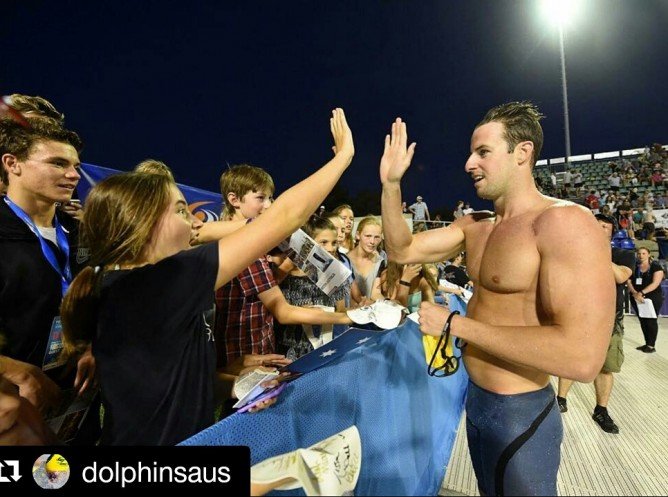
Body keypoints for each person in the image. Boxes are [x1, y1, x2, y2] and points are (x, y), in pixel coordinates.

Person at [60, 108, 355, 445]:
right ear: (144, 222)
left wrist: (233, 380)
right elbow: (283, 217)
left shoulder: (139, 285)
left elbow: (171, 389)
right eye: (181, 210)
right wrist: (344, 157)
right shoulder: (155, 284)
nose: (195, 222)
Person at [379, 102, 614, 496]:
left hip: (520, 412)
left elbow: (582, 357)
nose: (469, 163)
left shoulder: (564, 223)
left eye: (483, 152)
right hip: (477, 402)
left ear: (522, 152)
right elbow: (401, 250)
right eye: (471, 153)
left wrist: (455, 325)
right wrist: (390, 186)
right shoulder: (475, 225)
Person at [556, 214, 635, 434]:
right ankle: (560, 400)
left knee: (606, 367)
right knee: (571, 360)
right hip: (579, 315)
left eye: (604, 227)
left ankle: (601, 410)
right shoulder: (576, 252)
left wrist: (597, 252)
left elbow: (621, 276)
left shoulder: (623, 254)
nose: (599, 229)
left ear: (612, 232)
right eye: (596, 226)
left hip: (610, 319)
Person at [626, 247, 664, 353]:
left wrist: (641, 293)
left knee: (651, 321)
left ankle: (651, 345)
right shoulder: (634, 266)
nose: (641, 255)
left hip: (652, 297)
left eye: (643, 253)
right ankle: (647, 343)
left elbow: (655, 283)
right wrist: (635, 293)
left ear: (648, 254)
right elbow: (628, 281)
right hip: (636, 297)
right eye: (639, 253)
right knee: (642, 320)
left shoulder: (655, 266)